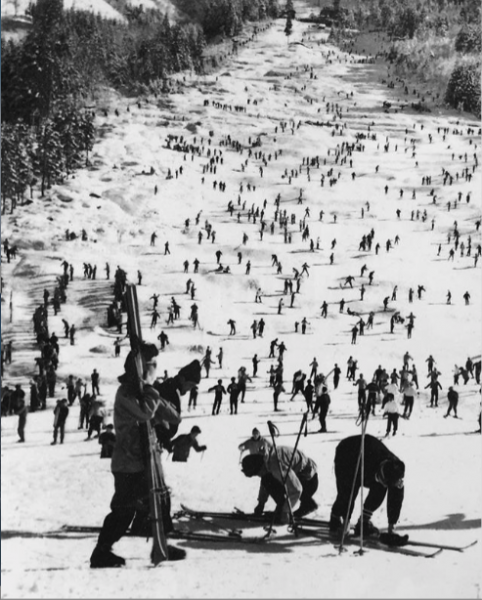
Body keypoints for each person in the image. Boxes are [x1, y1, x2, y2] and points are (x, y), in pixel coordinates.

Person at [90, 343, 186, 568]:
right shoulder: (125, 393)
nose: (154, 370)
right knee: (124, 511)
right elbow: (145, 412)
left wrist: (158, 395)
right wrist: (151, 393)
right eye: (152, 366)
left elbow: (174, 417)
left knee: (160, 501)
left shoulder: (144, 393)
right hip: (127, 464)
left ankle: (160, 544)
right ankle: (101, 552)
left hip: (141, 462)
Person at [329, 434, 405, 537]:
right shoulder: (362, 465)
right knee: (346, 493)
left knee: (379, 490)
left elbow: (396, 497)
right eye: (381, 479)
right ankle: (336, 516)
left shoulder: (396, 469)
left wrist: (392, 525)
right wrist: (346, 520)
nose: (383, 484)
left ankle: (363, 522)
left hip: (370, 461)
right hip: (348, 455)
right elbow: (348, 492)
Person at [241, 445, 318, 521]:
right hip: (302, 475)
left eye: (257, 473)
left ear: (261, 467)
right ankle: (283, 509)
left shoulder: (277, 466)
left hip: (308, 483)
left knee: (268, 479)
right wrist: (261, 503)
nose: (258, 475)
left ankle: (306, 504)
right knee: (267, 479)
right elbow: (264, 482)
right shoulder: (267, 457)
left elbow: (297, 489)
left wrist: (285, 512)